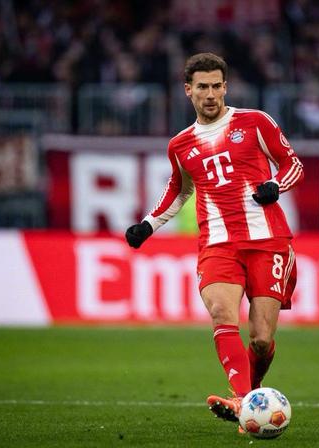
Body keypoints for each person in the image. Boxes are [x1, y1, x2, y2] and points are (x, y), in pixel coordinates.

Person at [124, 52, 304, 428]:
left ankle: (250, 393)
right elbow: (179, 190)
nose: (210, 94)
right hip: (217, 244)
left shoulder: (255, 122)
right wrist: (147, 225)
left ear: (226, 87)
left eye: (216, 86)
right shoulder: (180, 144)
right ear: (188, 90)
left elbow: (293, 164)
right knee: (222, 312)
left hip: (268, 239)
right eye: (202, 87)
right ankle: (242, 400)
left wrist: (275, 185)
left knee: (261, 339)